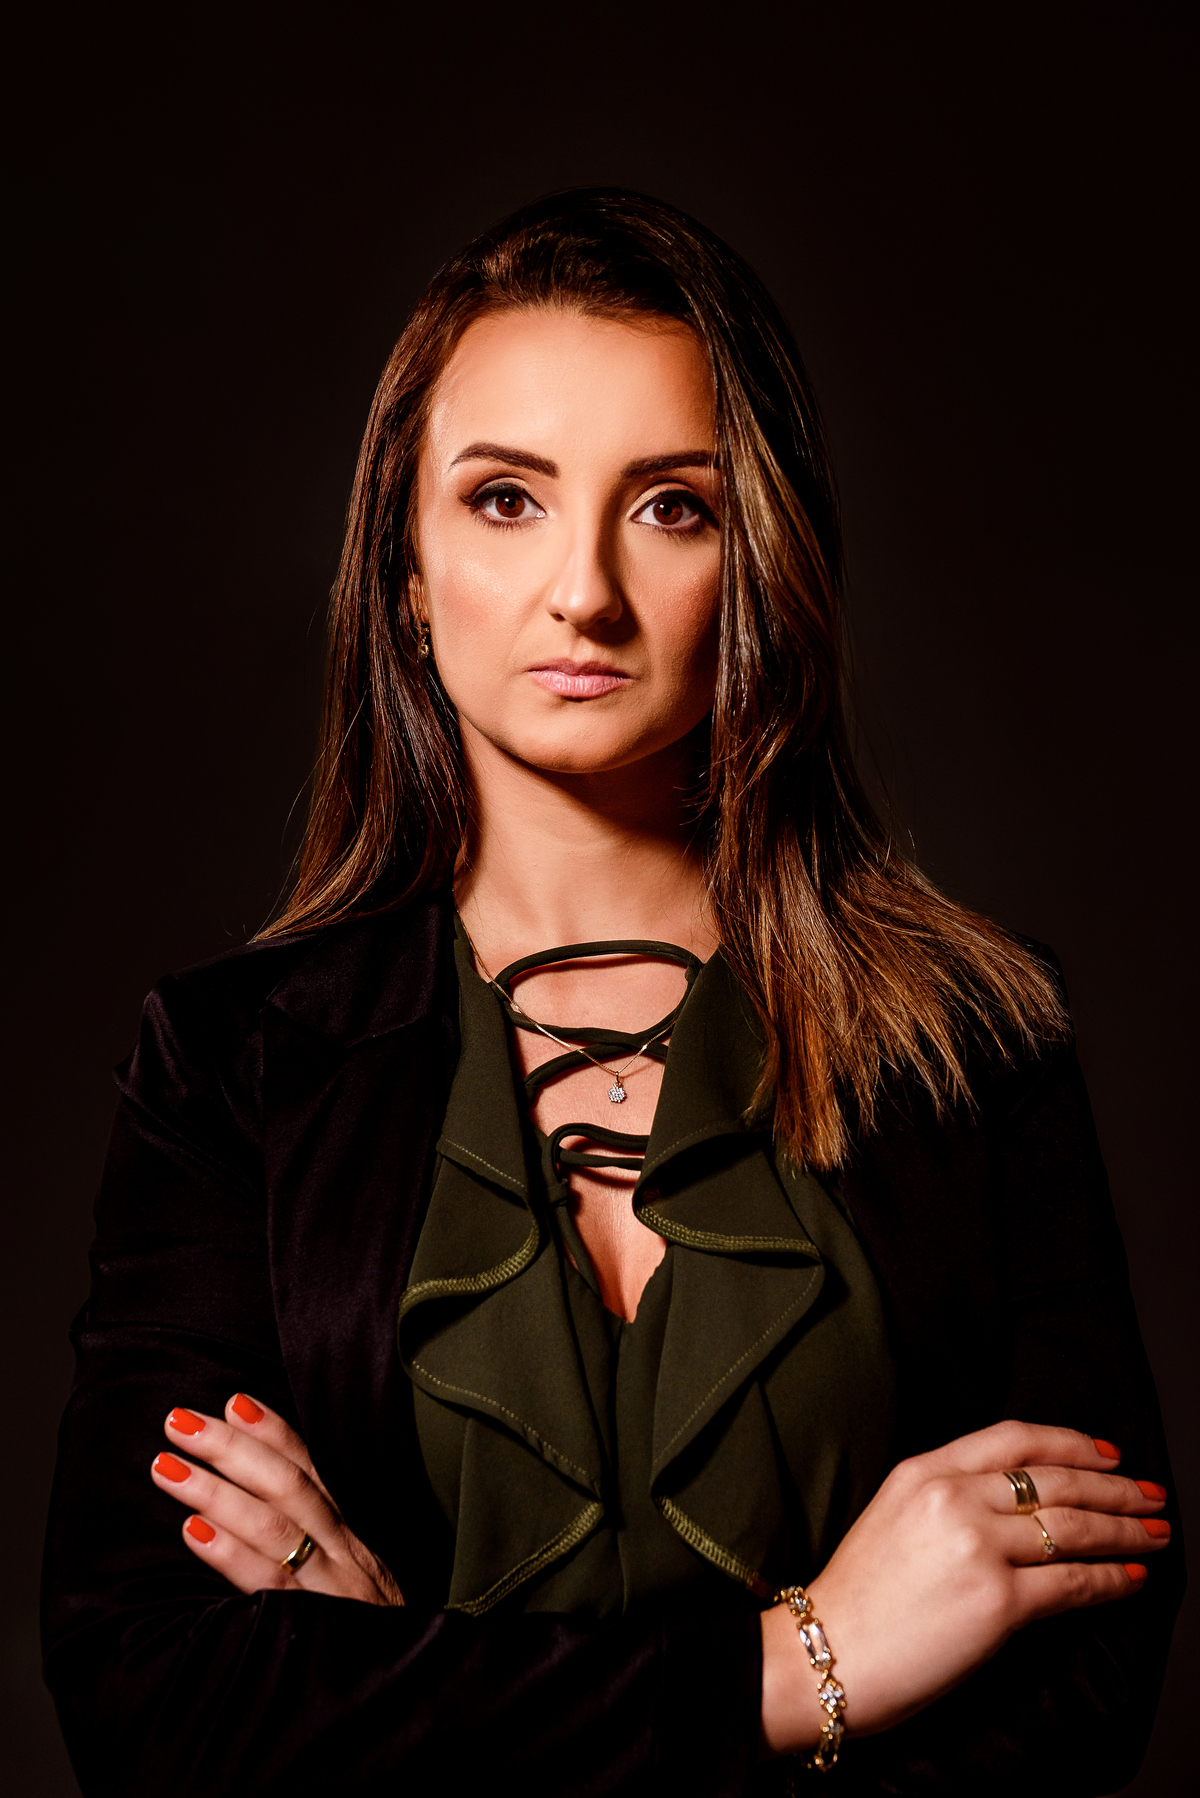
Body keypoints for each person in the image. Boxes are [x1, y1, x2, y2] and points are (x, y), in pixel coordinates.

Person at [42, 189, 1182, 1796]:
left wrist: (396, 1682)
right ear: (408, 566)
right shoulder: (232, 1066)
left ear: (759, 558)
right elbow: (150, 1694)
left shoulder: (973, 1042)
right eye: (506, 498)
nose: (584, 588)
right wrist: (805, 1665)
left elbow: (1082, 1687)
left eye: (670, 507)